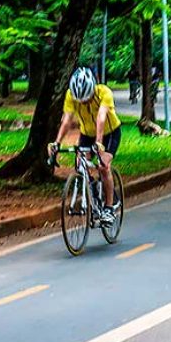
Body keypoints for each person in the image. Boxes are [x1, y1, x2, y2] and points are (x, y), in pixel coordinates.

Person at [49, 67, 122, 226]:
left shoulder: (104, 92)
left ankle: (109, 208)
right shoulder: (70, 95)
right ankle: (94, 189)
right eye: (80, 100)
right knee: (79, 164)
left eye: (86, 99)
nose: (83, 102)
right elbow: (67, 121)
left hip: (110, 132)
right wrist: (57, 143)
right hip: (86, 133)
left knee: (103, 166)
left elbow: (101, 118)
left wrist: (99, 142)